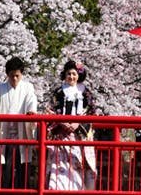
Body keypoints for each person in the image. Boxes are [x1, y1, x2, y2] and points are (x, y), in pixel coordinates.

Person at [0, 57, 38, 189]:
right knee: (3, 171)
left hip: (21, 135)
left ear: (21, 74)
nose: (14, 78)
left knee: (22, 171)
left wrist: (31, 111)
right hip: (4, 135)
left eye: (17, 75)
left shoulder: (28, 87)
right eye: (11, 75)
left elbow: (31, 100)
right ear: (7, 74)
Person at [46, 60, 97, 190]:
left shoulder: (85, 93)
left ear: (79, 75)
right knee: (59, 163)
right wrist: (61, 121)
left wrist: (77, 123)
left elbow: (91, 112)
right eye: (69, 73)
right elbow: (51, 110)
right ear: (65, 74)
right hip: (61, 134)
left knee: (78, 164)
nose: (71, 77)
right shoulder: (58, 92)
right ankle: (57, 189)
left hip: (78, 136)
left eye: (74, 74)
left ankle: (77, 189)